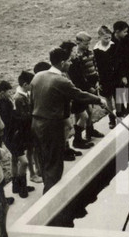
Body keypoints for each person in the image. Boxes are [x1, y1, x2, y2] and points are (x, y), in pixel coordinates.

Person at [30, 46, 106, 193]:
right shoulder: (61, 81)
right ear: (62, 63)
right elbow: (79, 95)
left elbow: (31, 103)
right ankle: (51, 196)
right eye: (69, 61)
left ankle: (48, 187)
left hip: (36, 123)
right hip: (52, 126)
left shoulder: (38, 76)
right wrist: (99, 100)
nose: (71, 64)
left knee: (43, 160)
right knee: (55, 163)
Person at [0, 80, 34, 198]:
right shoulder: (3, 104)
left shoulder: (5, 102)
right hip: (12, 136)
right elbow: (11, 120)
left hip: (9, 136)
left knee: (14, 159)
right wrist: (26, 119)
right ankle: (22, 187)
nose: (10, 93)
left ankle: (16, 186)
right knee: (24, 162)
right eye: (8, 91)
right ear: (2, 92)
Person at [73, 32, 105, 142]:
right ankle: (81, 135)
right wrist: (88, 87)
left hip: (93, 83)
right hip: (84, 86)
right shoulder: (77, 57)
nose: (88, 46)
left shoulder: (90, 53)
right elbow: (80, 74)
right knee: (85, 111)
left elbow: (95, 67)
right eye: (86, 44)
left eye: (89, 44)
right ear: (78, 42)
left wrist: (97, 82)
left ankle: (90, 129)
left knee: (90, 109)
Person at [14, 70, 41, 185]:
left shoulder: (26, 93)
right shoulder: (19, 98)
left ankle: (38, 169)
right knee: (30, 151)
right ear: (25, 85)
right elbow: (23, 116)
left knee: (35, 149)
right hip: (26, 129)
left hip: (31, 126)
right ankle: (32, 174)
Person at [93, 25, 119, 128]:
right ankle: (112, 119)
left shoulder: (114, 46)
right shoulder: (96, 50)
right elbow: (96, 66)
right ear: (99, 37)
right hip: (105, 78)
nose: (108, 40)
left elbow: (119, 61)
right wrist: (99, 80)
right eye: (105, 38)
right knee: (108, 99)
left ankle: (121, 116)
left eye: (109, 37)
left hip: (116, 75)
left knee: (120, 97)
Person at [111, 21, 129, 117]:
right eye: (124, 31)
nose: (126, 33)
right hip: (117, 71)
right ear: (117, 32)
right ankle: (121, 111)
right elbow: (116, 61)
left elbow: (128, 52)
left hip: (127, 66)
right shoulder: (112, 43)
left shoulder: (125, 38)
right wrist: (122, 76)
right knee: (119, 91)